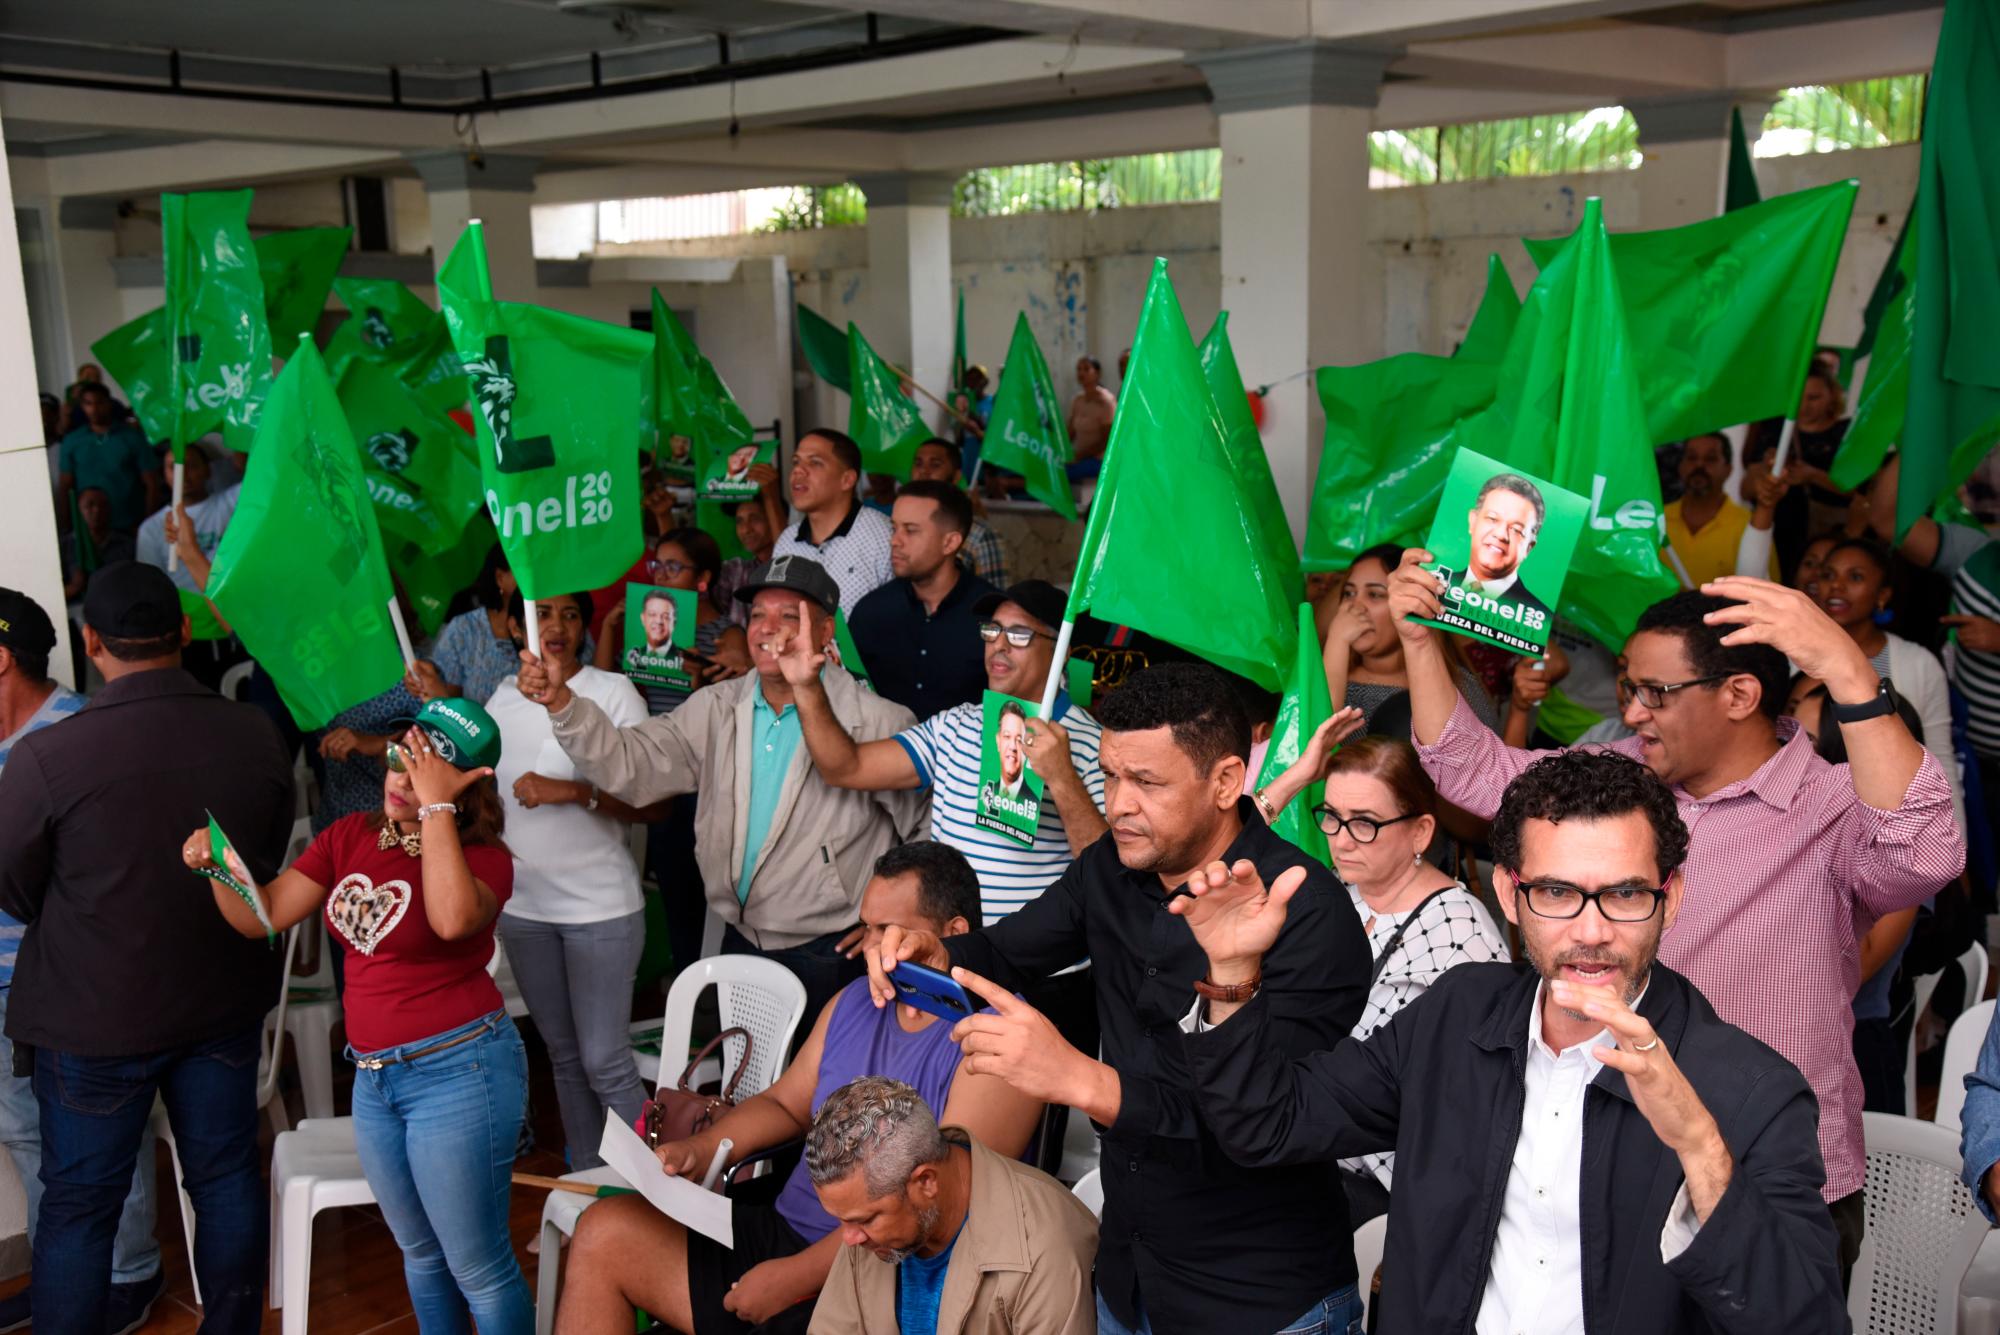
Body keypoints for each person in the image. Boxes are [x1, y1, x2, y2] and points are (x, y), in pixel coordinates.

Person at [1388, 552, 1964, 1280]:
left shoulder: (1830, 801)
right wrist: (1417, 640)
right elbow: (1474, 769)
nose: (1632, 711)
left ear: (1740, 694)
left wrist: (1846, 666)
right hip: (1621, 1155)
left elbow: (1924, 858)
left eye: (1655, 692)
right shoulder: (1622, 776)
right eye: (1630, 688)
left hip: (1767, 1166)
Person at [1173, 749, 1846, 1333]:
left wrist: (1700, 1144)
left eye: (1625, 894)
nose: (1590, 930)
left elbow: (1806, 1320)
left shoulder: (1754, 1088)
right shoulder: (1456, 1014)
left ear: (1669, 899)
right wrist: (1233, 976)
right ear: (1508, 891)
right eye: (1556, 891)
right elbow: (1269, 1123)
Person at [870, 662, 1373, 1335]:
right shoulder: (1111, 865)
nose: (1117, 802)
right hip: (1130, 1274)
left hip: (1259, 1296)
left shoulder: (1303, 909)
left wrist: (1076, 1077)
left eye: (1147, 781)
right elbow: (1007, 951)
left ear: (1226, 781)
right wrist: (935, 954)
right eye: (1108, 774)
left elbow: (1261, 1125)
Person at [553, 843, 1041, 1335]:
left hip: (884, 1276)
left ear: (954, 934)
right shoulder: (857, 999)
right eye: (867, 926)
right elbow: (786, 1104)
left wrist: (794, 1277)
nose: (869, 946)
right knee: (601, 1231)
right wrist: (703, 1149)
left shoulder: (998, 1036)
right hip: (788, 1232)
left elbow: (937, 1206)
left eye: (887, 931)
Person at [0, 562, 295, 1335]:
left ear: (90, 641)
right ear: (185, 631)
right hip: (220, 1001)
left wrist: (80, 916)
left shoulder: (50, 757)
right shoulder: (254, 732)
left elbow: (12, 885)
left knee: (77, 1208)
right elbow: (257, 862)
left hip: (91, 1019)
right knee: (226, 1176)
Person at [183, 697, 533, 1332]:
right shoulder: (348, 836)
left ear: (467, 783)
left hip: (460, 1072)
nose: (403, 777)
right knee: (422, 1256)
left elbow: (453, 919)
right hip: (375, 1080)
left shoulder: (486, 858)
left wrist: (436, 810)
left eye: (426, 768)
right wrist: (216, 869)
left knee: (478, 1267)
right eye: (402, 759)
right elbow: (261, 913)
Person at [515, 555, 925, 1020]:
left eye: (789, 616)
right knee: (745, 1085)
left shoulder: (878, 720)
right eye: (757, 616)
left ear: (826, 631)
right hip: (739, 939)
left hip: (831, 954)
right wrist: (563, 703)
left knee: (826, 1092)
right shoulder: (714, 707)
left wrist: (890, 919)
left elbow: (926, 828)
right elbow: (632, 765)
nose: (767, 629)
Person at [1254, 729, 1507, 1224]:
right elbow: (1213, 854)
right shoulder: (1332, 897)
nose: (1341, 840)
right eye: (1331, 816)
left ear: (1420, 831)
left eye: (1364, 823)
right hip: (1296, 1153)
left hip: (1382, 1197)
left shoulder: (1461, 932)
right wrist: (1296, 778)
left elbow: (1476, 1098)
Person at [0, 590, 162, 1333]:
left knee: (99, 1142)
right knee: (33, 1141)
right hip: (4, 990)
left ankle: (129, 1273)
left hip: (77, 992)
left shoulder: (82, 734)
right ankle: (65, 1271)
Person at [784, 579, 1104, 926]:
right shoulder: (956, 724)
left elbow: (1111, 878)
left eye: (1019, 635)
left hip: (1039, 968)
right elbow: (846, 768)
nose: (999, 645)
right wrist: (805, 686)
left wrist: (1063, 779)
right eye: (992, 631)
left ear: (1062, 651)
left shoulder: (1094, 743)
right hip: (951, 949)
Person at [487, 592, 661, 1171]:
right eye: (540, 614)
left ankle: (674, 1202)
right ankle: (590, 1192)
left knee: (604, 1061)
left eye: (568, 614)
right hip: (526, 908)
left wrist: (570, 790)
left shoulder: (613, 693)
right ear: (515, 627)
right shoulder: (501, 699)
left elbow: (650, 802)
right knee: (562, 1057)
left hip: (600, 911)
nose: (555, 626)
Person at [806, 1075, 1097, 1335]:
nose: (849, 1238)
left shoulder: (1045, 1245)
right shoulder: (869, 1218)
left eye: (866, 1220)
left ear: (926, 1182)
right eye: (843, 1220)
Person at [1789, 680, 1929, 1116]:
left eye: (1806, 741)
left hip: (1853, 1046)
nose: (1786, 753)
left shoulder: (1897, 854)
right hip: (1781, 1042)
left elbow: (1859, 963)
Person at [1803, 537, 1960, 820]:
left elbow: (1939, 759)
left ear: (1882, 595)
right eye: (1828, 575)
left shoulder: (1918, 664)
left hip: (1893, 817)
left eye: (1855, 577)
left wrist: (1955, 841)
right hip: (1807, 816)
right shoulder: (1794, 657)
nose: (1836, 586)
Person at [847, 479, 996, 720]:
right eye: (894, 528)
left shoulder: (991, 615)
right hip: (879, 751)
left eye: (911, 530)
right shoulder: (872, 610)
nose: (895, 540)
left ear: (950, 542)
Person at [769, 429, 895, 617]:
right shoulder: (787, 541)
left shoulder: (884, 537)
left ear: (847, 480)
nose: (798, 470)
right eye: (796, 462)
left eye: (815, 463)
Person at [1741, 365, 1852, 574]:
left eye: (1814, 398)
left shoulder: (1846, 434)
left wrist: (1813, 476)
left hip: (1827, 537)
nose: (1805, 406)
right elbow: (1744, 490)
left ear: (1832, 395)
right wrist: (1767, 471)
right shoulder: (1773, 430)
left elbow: (1862, 494)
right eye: (1798, 397)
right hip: (1776, 534)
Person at [408, 544, 524, 706]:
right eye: (524, 570)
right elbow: (448, 703)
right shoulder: (465, 629)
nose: (535, 580)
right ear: (500, 577)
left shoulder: (547, 631)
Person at [1664, 433, 1779, 587]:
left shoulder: (1750, 527)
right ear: (1680, 466)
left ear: (1729, 469)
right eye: (1691, 457)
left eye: (1710, 459)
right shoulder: (1656, 521)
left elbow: (1768, 591)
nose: (1699, 465)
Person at [56, 382, 161, 534]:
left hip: (128, 525)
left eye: (99, 402)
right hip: (86, 528)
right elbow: (65, 486)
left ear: (109, 403)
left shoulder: (132, 437)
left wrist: (148, 523)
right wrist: (66, 526)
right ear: (82, 407)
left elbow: (152, 483)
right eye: (88, 403)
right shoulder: (72, 441)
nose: (94, 409)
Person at [136, 442, 241, 592]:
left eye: (191, 465)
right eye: (174, 467)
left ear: (208, 469)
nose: (182, 474)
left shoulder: (234, 502)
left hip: (228, 604)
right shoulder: (150, 529)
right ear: (164, 474)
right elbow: (151, 586)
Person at [1449, 472, 1549, 623]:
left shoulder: (1537, 618)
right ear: (1473, 521)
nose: (1501, 535)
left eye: (1516, 529)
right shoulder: (1433, 583)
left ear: (1529, 547)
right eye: (1492, 519)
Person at [909, 437, 1009, 586]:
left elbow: (996, 599)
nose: (923, 472)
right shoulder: (900, 529)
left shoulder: (979, 535)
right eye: (918, 463)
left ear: (956, 477)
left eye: (935, 465)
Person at [60, 486, 137, 601]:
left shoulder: (127, 545)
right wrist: (74, 587)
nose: (97, 510)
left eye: (103, 505)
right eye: (89, 505)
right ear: (78, 510)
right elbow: (50, 597)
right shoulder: (63, 547)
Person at [717, 491, 779, 629]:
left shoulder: (799, 568)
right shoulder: (736, 570)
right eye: (739, 521)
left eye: (755, 519)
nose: (746, 529)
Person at [1065, 357, 1115, 478]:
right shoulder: (1077, 400)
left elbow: (1106, 441)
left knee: (1061, 474)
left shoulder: (1106, 401)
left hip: (1098, 460)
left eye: (1086, 369)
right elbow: (1070, 433)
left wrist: (1080, 456)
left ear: (1097, 374)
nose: (1081, 373)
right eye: (1079, 369)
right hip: (1078, 457)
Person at [993, 701, 1028, 798]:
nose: (1012, 746)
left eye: (1019, 740)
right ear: (998, 741)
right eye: (1007, 736)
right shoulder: (986, 793)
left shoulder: (1034, 801)